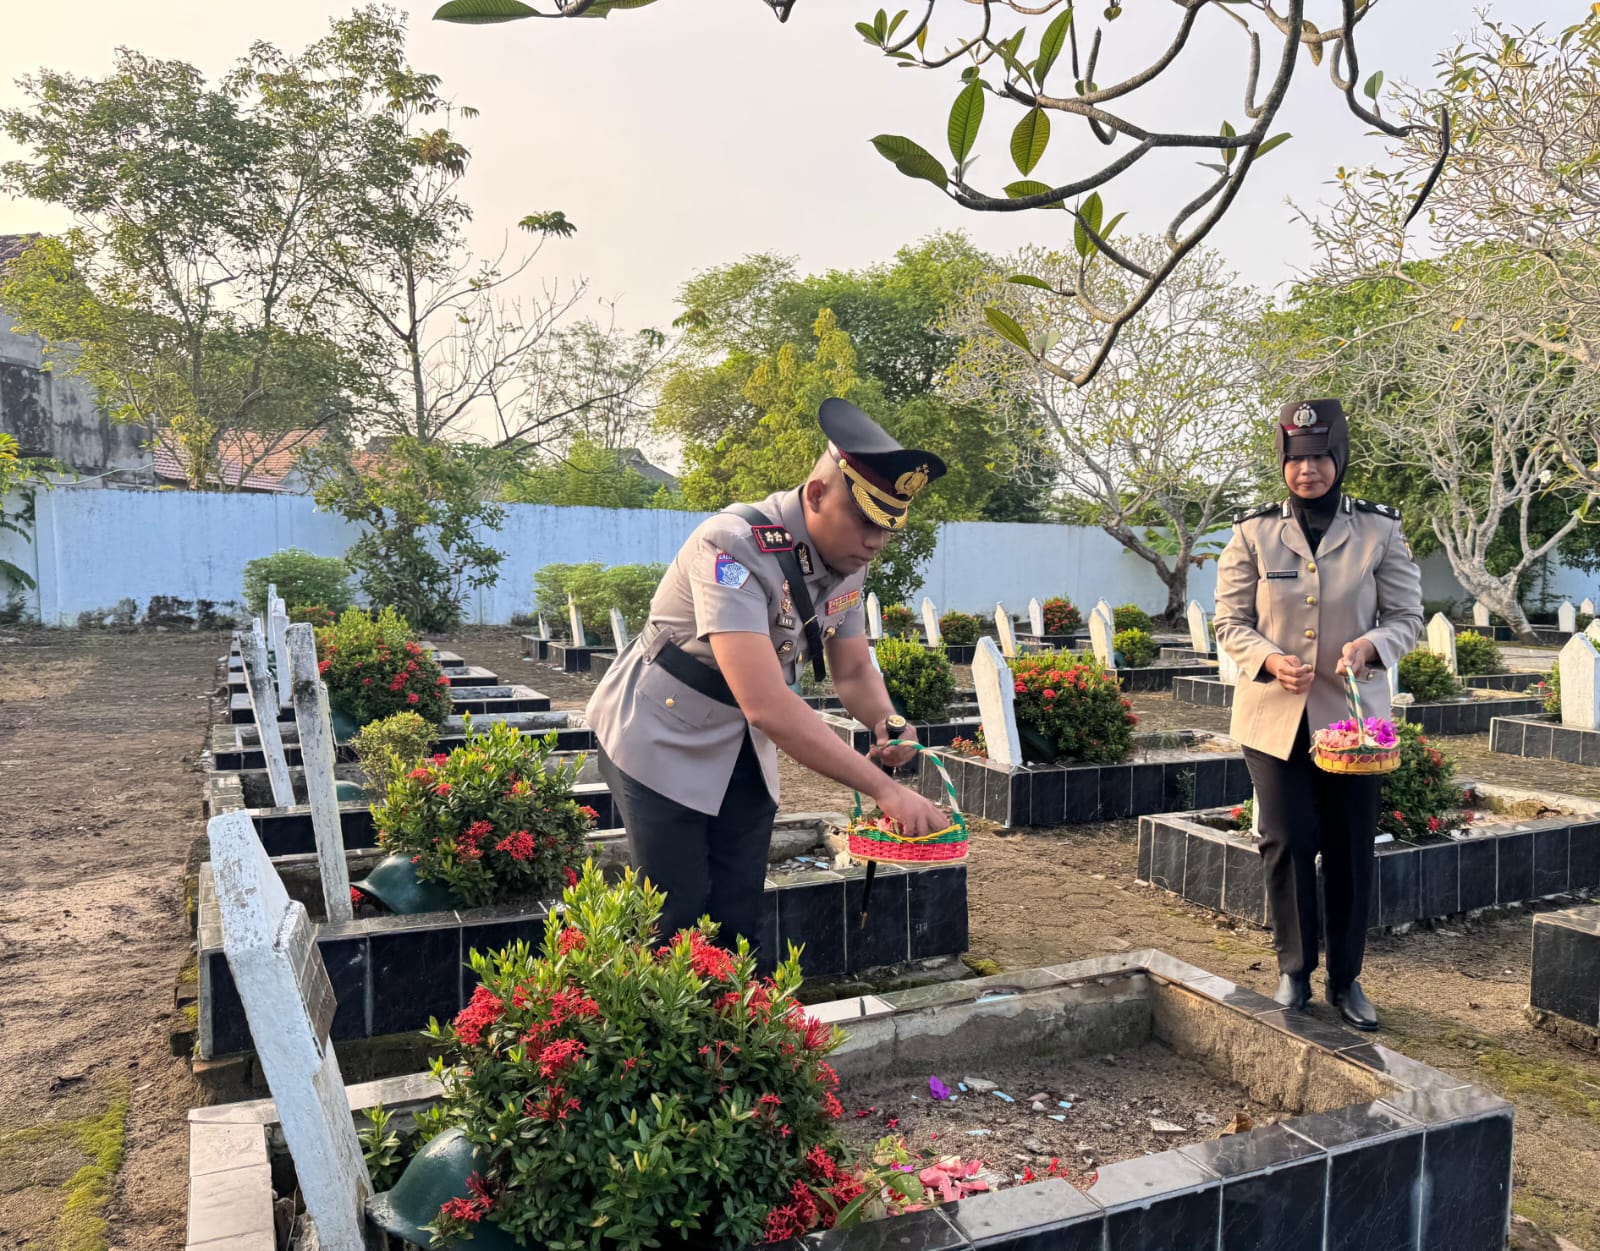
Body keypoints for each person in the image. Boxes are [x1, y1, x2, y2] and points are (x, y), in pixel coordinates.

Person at [586, 397, 950, 951]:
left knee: (737, 909)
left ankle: (733, 1031)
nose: (876, 541)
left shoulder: (849, 563)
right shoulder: (731, 545)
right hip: (658, 735)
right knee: (675, 913)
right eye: (864, 522)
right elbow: (767, 703)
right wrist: (882, 790)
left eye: (887, 528)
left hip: (739, 744)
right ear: (817, 494)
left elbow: (852, 670)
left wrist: (888, 721)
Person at [1213, 398, 1423, 1030]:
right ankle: (1295, 970)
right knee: (1287, 840)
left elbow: (1407, 618)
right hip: (1273, 715)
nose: (1308, 471)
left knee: (1351, 845)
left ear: (1339, 458)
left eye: (1319, 457)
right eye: (1296, 459)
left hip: (1352, 722)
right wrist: (1270, 659)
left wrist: (1373, 646)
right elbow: (1230, 621)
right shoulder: (1252, 531)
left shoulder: (1378, 531)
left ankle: (1348, 979)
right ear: (1283, 463)